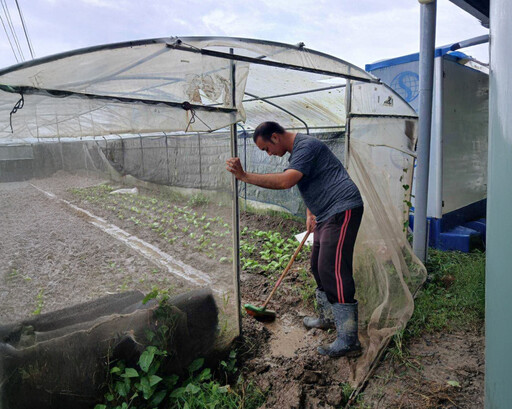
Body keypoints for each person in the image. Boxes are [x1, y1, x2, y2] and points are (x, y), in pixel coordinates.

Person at [226, 121, 364, 358]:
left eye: (266, 149)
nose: (269, 155)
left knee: (333, 270)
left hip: (342, 209)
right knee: (318, 266)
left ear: (275, 137)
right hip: (325, 213)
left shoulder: (306, 146)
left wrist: (245, 176)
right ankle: (328, 318)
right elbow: (309, 183)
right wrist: (311, 213)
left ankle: (350, 340)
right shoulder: (297, 153)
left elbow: (285, 181)